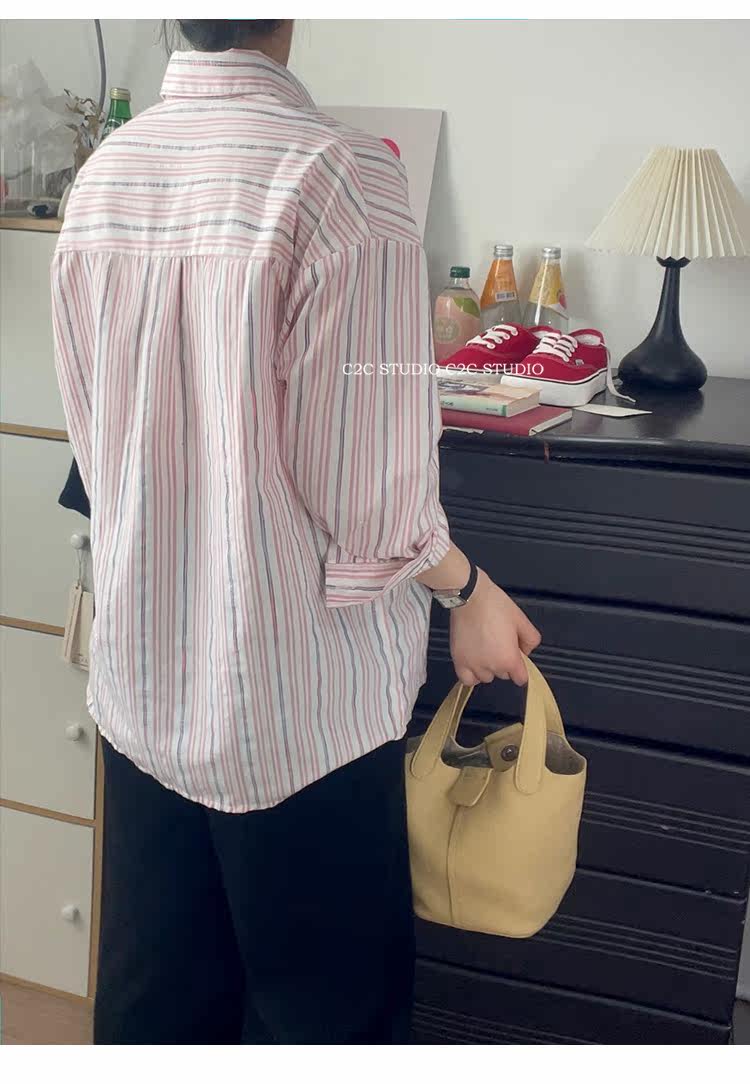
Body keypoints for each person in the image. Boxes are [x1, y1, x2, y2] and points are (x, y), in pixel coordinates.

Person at [51, 18, 541, 1045]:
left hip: (145, 691)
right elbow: (369, 490)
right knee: (325, 1023)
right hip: (298, 710)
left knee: (157, 1010)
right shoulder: (342, 179)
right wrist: (468, 587)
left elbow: (97, 446)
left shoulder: (107, 175)